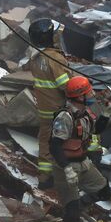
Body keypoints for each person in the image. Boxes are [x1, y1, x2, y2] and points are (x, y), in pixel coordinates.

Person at [50, 76, 111, 222]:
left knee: (105, 191)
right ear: (79, 96)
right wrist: (66, 168)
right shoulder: (64, 117)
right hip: (66, 166)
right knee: (71, 209)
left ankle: (80, 206)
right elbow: (55, 145)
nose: (91, 95)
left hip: (84, 162)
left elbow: (96, 131)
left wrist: (106, 114)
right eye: (88, 93)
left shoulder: (85, 113)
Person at [29, 18, 72, 185]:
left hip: (44, 108)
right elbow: (65, 86)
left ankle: (45, 177)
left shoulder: (35, 57)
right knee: (62, 142)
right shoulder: (55, 58)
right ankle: (57, 177)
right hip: (58, 108)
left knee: (45, 141)